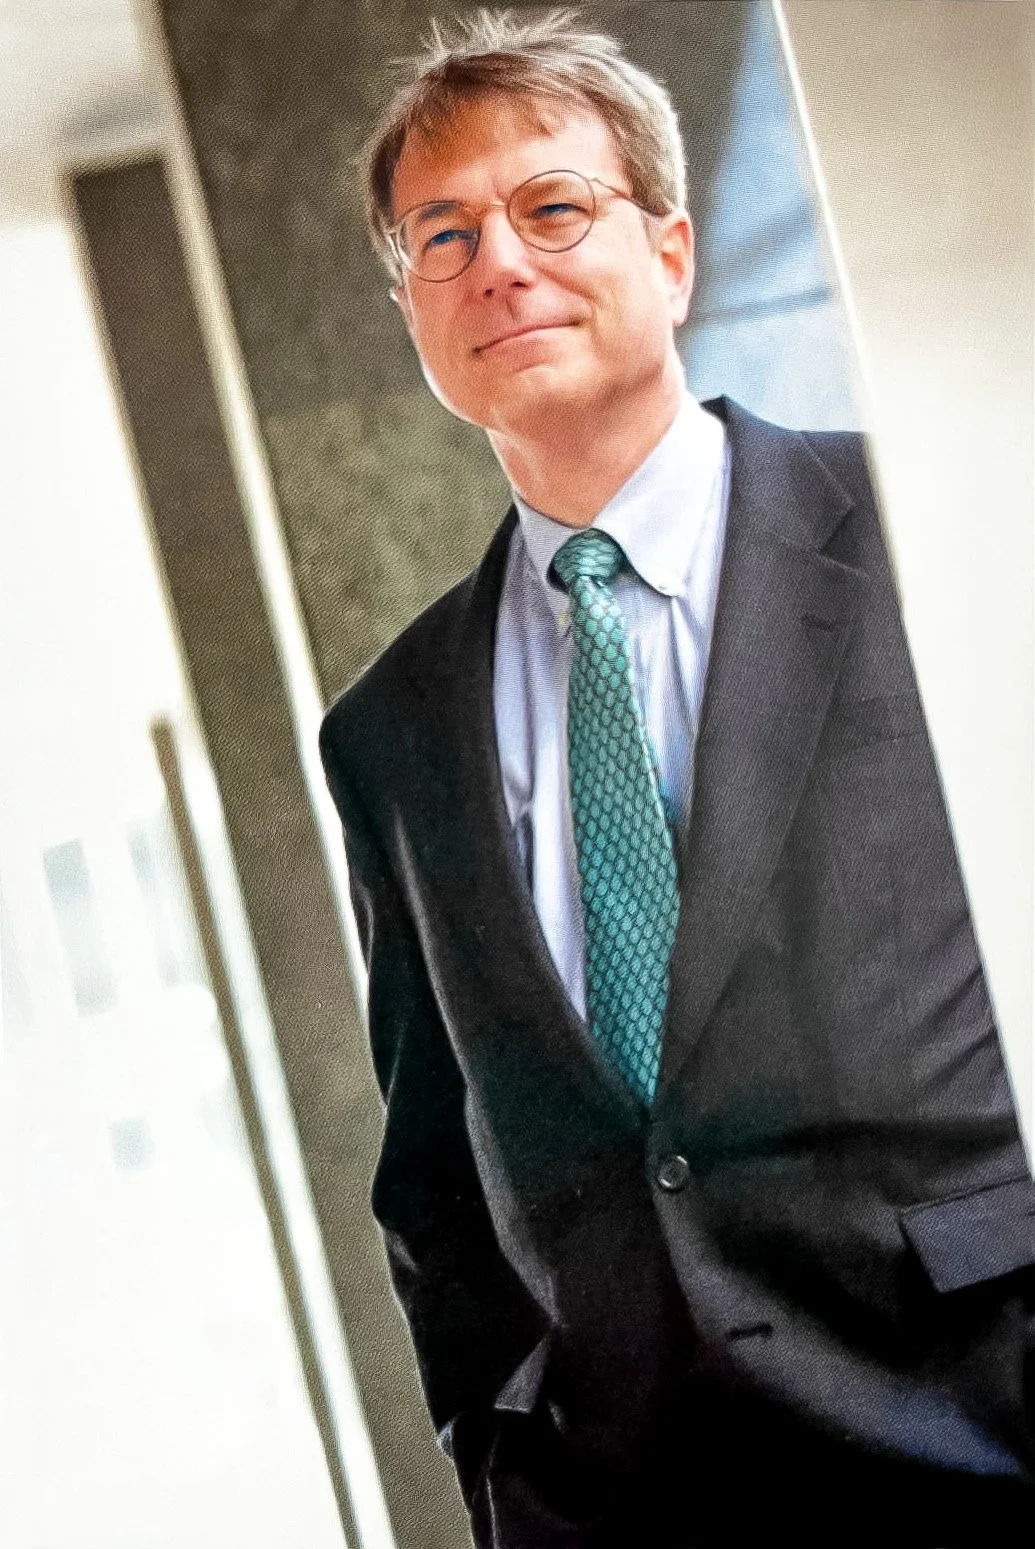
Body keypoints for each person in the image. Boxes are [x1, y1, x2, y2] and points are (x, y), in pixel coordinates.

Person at [319, 10, 1034, 1545]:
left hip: (982, 1405)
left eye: (550, 207)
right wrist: (502, 1453)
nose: (495, 263)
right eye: (442, 235)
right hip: (628, 1497)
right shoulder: (388, 729)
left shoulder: (929, 521)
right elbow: (430, 1168)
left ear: (672, 252)